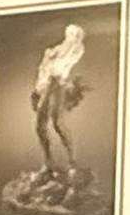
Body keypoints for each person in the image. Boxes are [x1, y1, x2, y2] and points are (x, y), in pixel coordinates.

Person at [31, 22, 88, 182]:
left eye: (76, 35)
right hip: (46, 84)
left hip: (57, 83)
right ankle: (48, 162)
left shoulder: (76, 49)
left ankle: (72, 162)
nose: (72, 37)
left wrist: (53, 58)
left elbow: (64, 64)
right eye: (70, 34)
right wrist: (38, 87)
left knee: (57, 122)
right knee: (40, 124)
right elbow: (44, 68)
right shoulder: (57, 49)